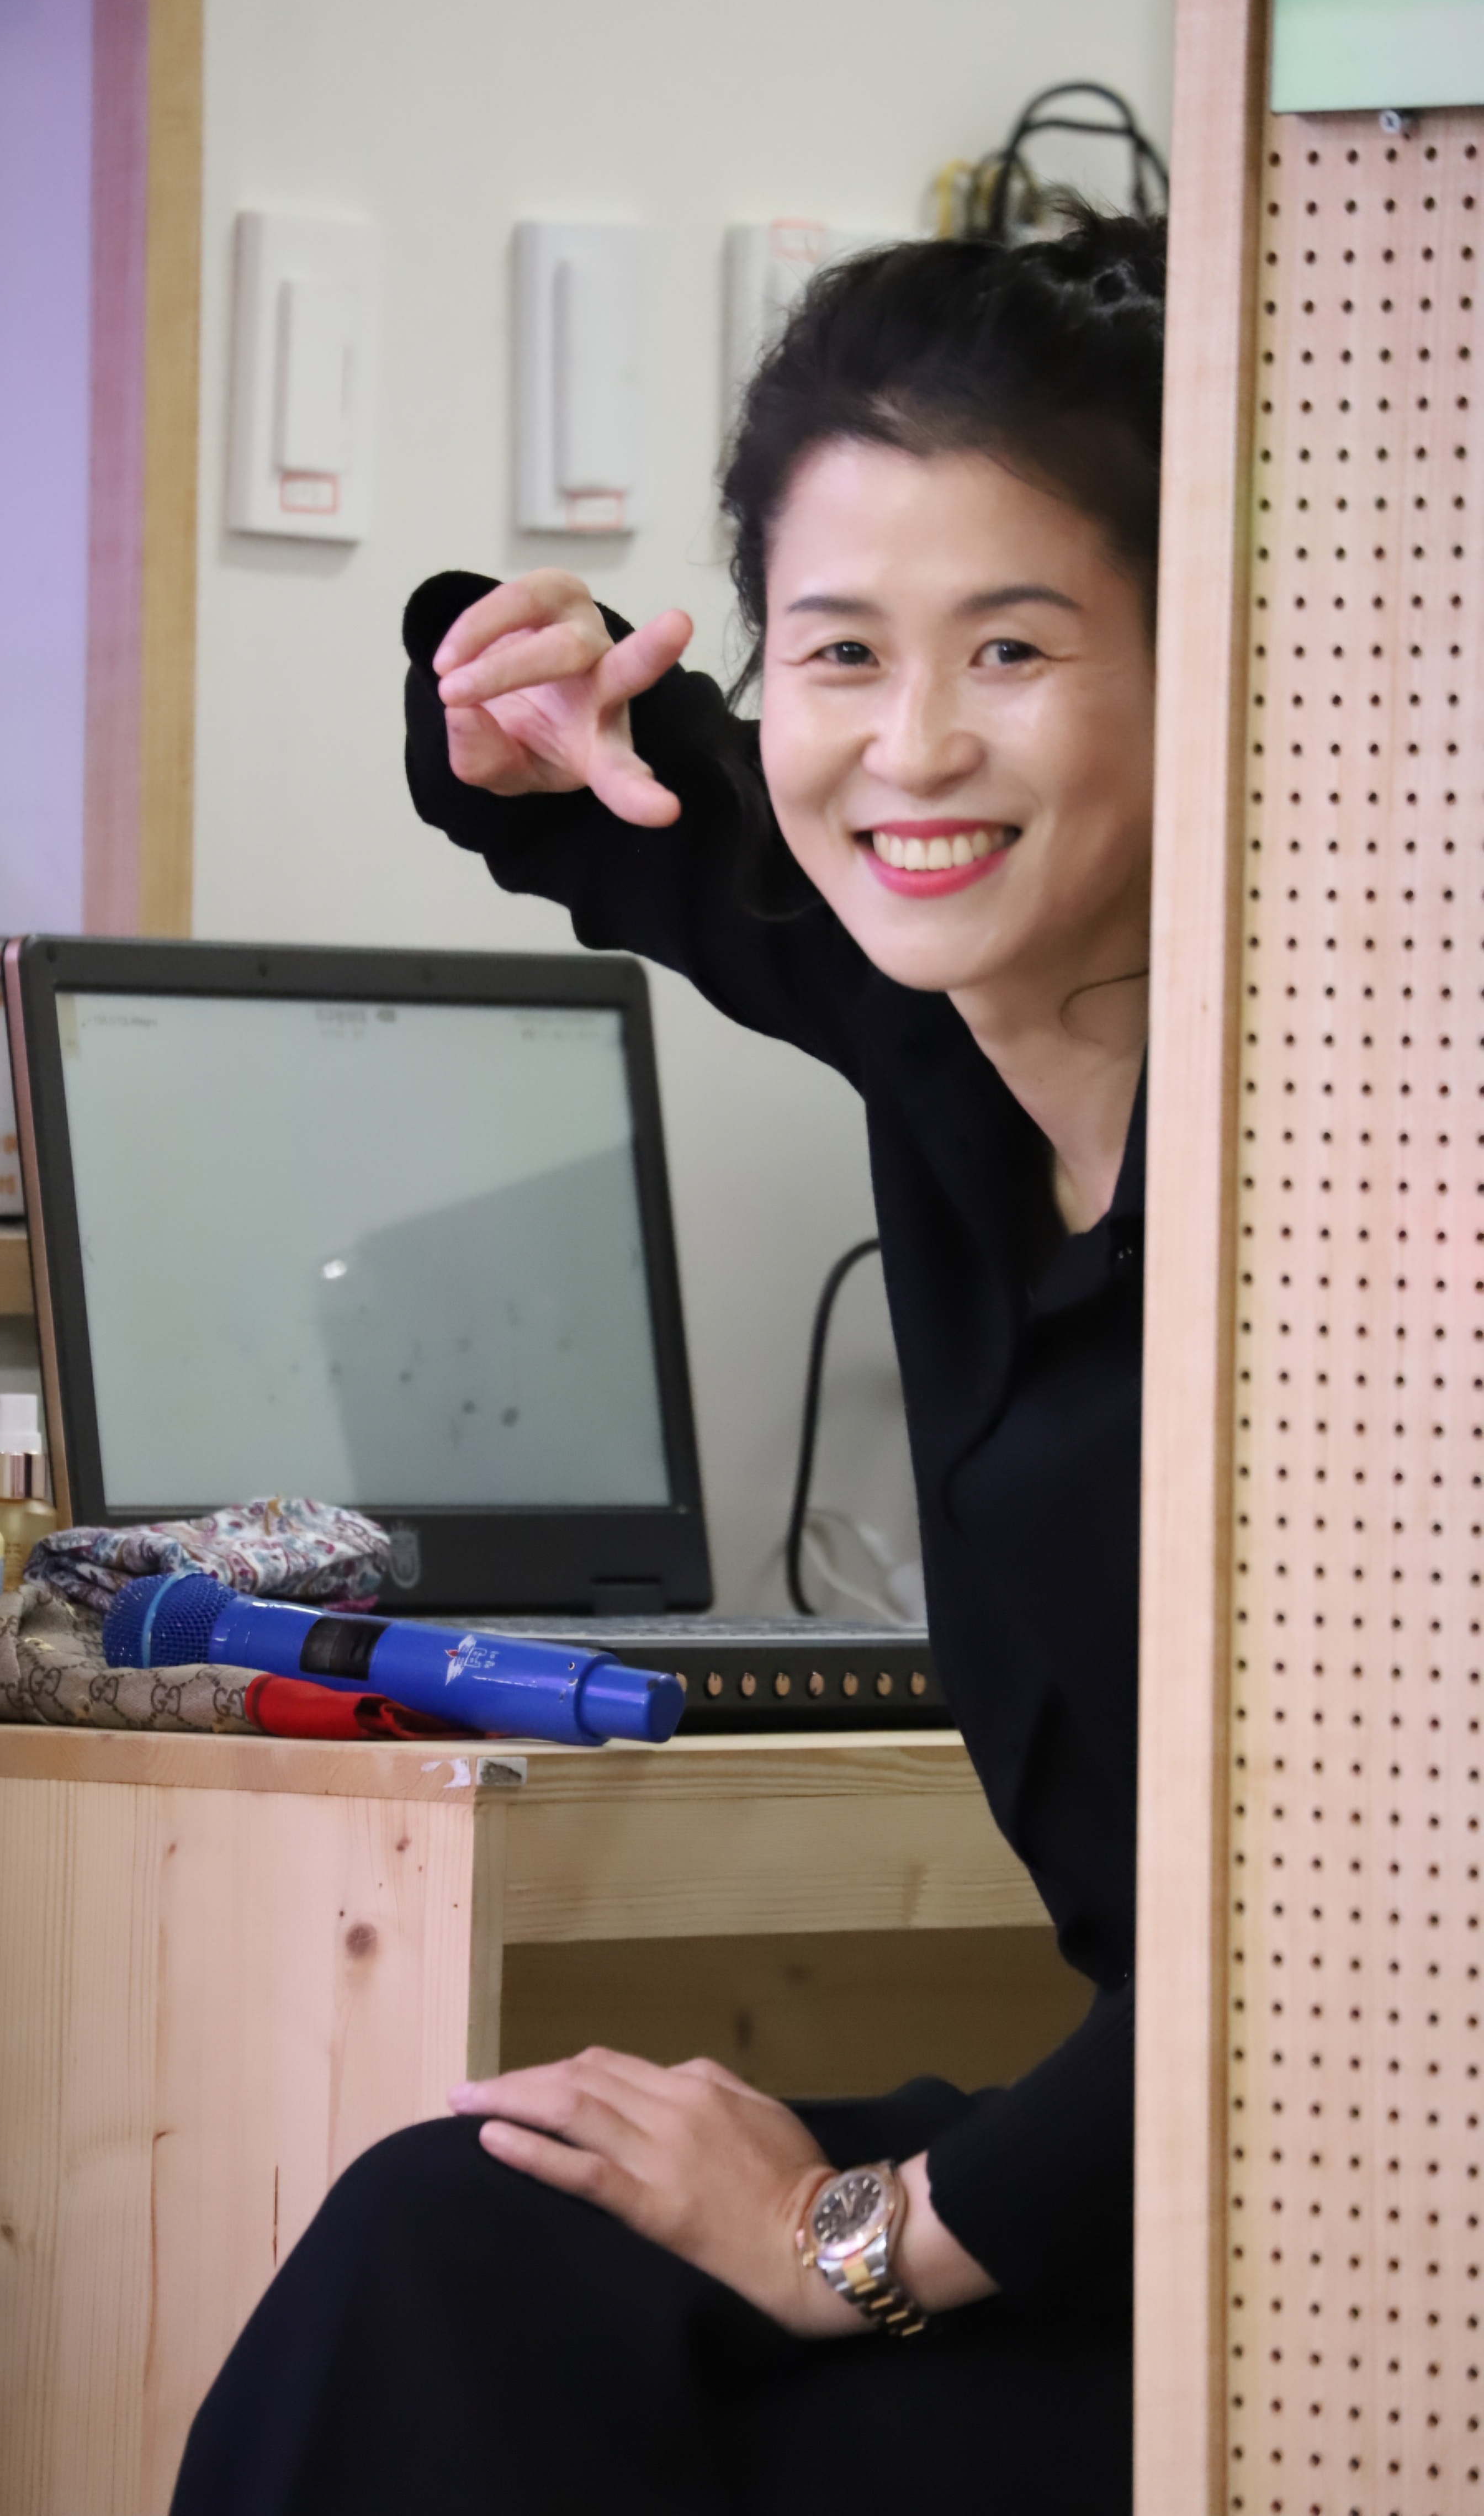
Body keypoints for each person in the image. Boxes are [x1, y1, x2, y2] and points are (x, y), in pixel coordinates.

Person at [170, 208, 1164, 2516]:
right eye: (844, 650)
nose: (915, 742)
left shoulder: (1383, 1160)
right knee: (459, 2238)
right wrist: (509, 687)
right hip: (1148, 2156)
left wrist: (865, 2240)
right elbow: (644, 805)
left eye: (1014, 646)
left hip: (1370, 2220)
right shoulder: (945, 1017)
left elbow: (1381, 1941)